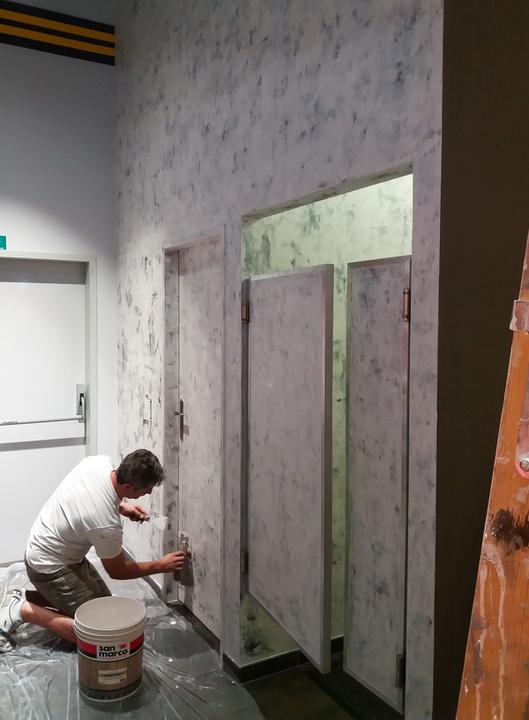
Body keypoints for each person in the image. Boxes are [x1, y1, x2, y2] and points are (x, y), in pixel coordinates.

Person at [0, 449, 186, 652]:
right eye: (146, 490)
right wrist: (161, 565)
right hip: (49, 567)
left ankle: (23, 597)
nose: (148, 494)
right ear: (127, 487)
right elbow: (118, 571)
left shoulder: (98, 463)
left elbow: (88, 496)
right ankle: (22, 610)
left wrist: (121, 507)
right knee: (100, 631)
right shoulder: (106, 525)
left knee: (105, 606)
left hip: (52, 550)